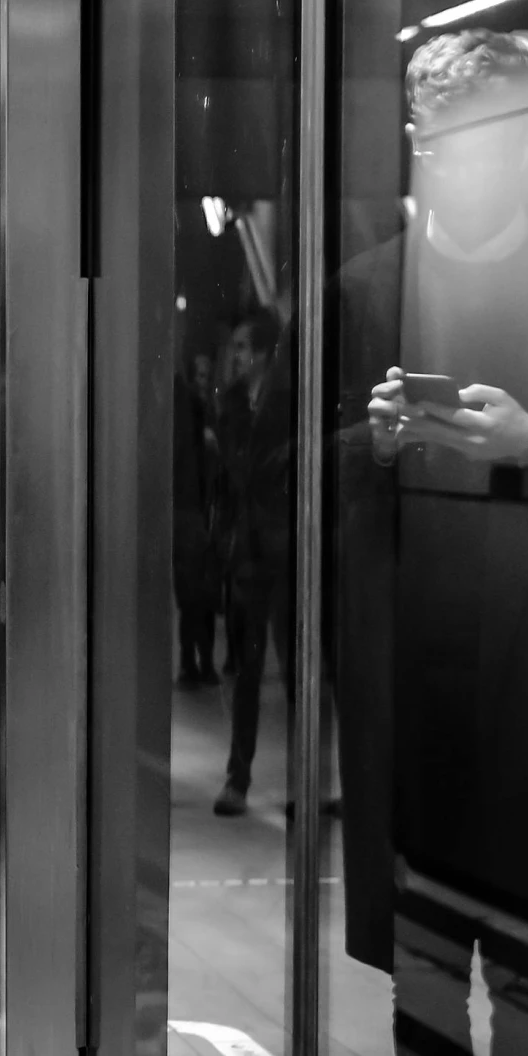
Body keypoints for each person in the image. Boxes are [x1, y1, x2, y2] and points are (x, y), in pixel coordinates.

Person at [347, 29, 528, 1056]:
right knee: (426, 966)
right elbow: (277, 464)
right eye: (434, 137)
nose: (454, 158)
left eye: (482, 132)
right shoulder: (371, 288)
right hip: (411, 673)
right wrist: (370, 443)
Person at [209, 307, 293, 816]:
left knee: (293, 669)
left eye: (243, 348)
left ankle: (301, 782)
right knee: (245, 670)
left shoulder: (288, 405)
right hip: (247, 550)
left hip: (281, 547)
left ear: (263, 353)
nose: (235, 356)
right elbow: (230, 478)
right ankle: (237, 776)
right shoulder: (233, 404)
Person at [173, 350, 220, 688]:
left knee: (198, 593)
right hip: (191, 511)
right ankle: (194, 660)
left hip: (200, 511)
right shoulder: (190, 407)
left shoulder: (204, 411)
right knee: (194, 593)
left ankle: (197, 660)